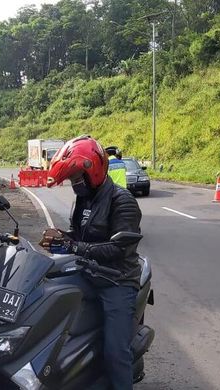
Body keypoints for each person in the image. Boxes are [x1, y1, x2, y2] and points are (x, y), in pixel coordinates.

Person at [40, 135, 143, 389]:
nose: (74, 183)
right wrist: (61, 239)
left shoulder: (123, 201)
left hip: (116, 279)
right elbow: (79, 235)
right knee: (43, 296)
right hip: (87, 271)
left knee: (115, 353)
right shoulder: (84, 199)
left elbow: (119, 249)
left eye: (77, 177)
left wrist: (74, 246)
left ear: (93, 169)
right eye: (71, 179)